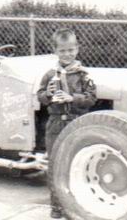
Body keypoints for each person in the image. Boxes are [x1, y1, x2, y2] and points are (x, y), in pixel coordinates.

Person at [37, 28, 97, 219]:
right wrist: (48, 93)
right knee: (56, 165)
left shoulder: (83, 75)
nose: (67, 54)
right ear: (55, 51)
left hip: (76, 124)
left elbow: (92, 98)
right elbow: (40, 97)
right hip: (55, 125)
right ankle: (57, 207)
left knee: (77, 165)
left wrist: (72, 98)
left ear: (77, 49)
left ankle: (76, 207)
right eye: (62, 51)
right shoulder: (49, 75)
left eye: (71, 50)